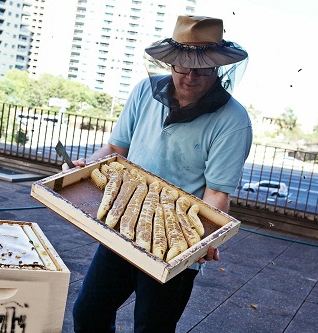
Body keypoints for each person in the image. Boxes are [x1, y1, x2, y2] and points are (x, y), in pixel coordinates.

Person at [63, 15, 252, 332]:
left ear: (218, 67)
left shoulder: (233, 120)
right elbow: (114, 150)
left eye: (202, 69)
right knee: (89, 312)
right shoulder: (143, 92)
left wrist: (205, 238)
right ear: (171, 63)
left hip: (175, 240)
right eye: (183, 66)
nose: (191, 77)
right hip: (123, 224)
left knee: (152, 327)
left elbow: (217, 193)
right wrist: (84, 166)